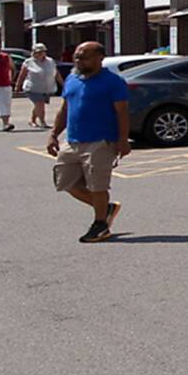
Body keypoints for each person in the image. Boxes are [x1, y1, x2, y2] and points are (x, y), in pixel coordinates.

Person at [45, 40, 131, 244]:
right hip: (72, 140)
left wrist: (122, 140)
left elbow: (122, 113)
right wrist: (53, 134)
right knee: (65, 182)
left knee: (97, 186)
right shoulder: (72, 79)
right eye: (77, 56)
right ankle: (106, 208)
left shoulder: (113, 82)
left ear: (100, 58)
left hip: (100, 141)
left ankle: (100, 224)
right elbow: (65, 109)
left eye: (84, 56)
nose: (78, 60)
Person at [19, 43, 60, 127]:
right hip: (32, 87)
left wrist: (63, 84)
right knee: (40, 103)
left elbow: (56, 73)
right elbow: (22, 75)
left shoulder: (50, 61)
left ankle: (32, 120)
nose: (41, 53)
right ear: (34, 52)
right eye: (38, 52)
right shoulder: (29, 62)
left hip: (46, 88)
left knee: (38, 105)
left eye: (42, 51)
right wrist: (17, 86)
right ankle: (43, 122)